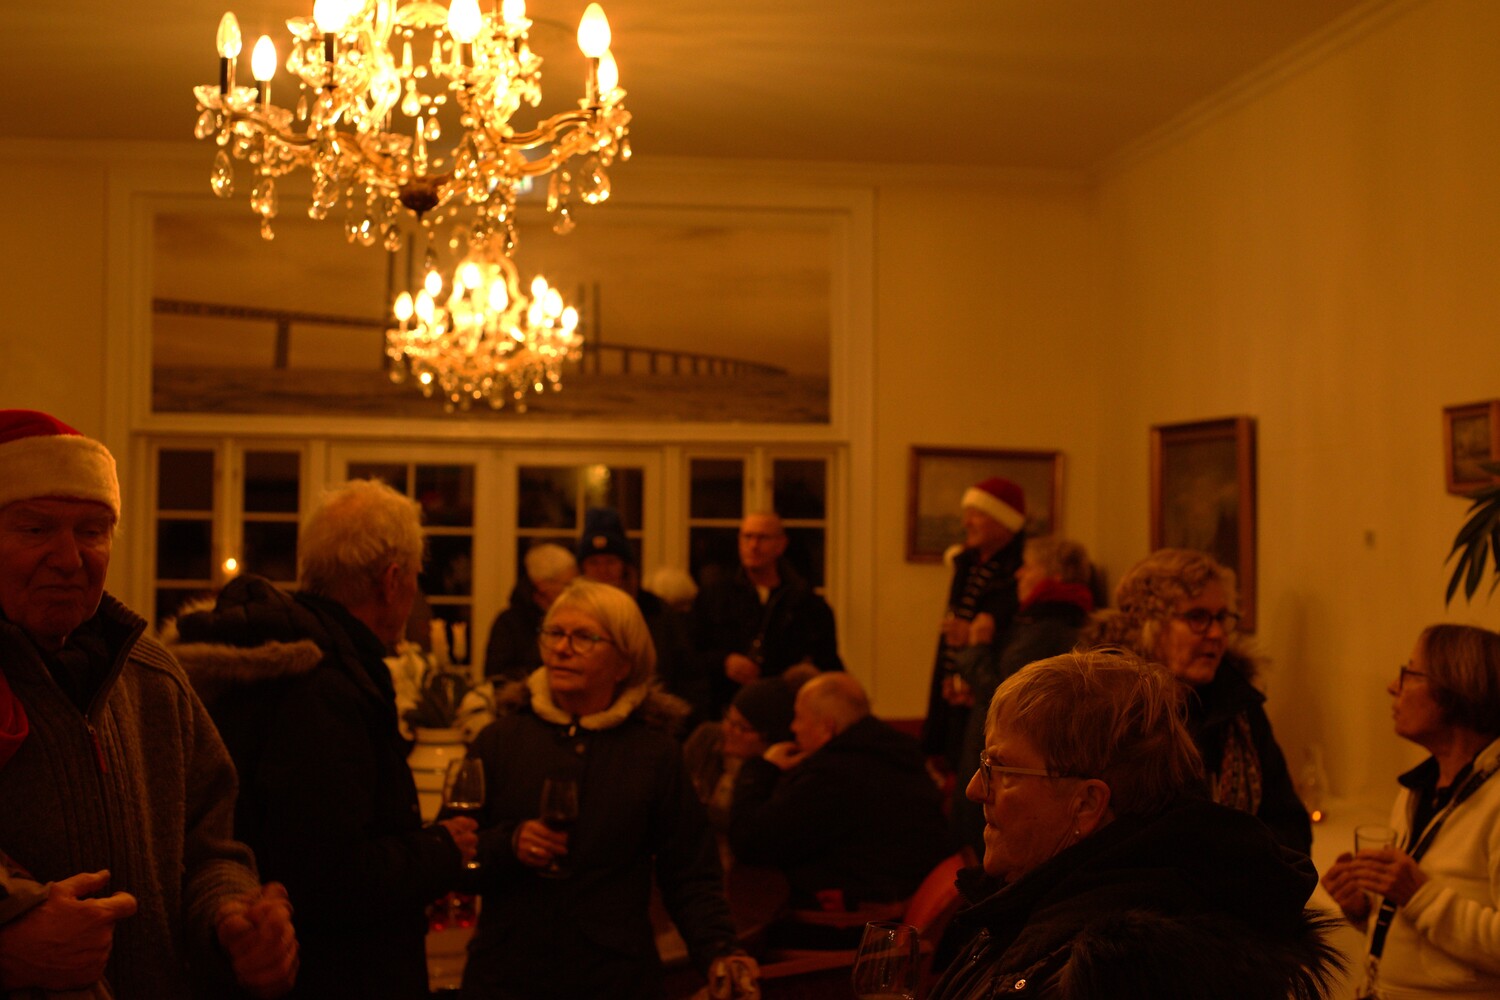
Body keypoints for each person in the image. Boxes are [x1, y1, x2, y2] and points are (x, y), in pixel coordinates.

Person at [0, 410, 297, 999]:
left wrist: (232, 919)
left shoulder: (153, 680)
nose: (69, 557)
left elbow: (210, 847)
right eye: (35, 529)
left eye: (92, 530)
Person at [169, 479, 476, 1000]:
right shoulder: (323, 686)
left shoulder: (289, 653)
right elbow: (332, 877)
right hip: (333, 974)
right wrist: (440, 849)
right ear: (392, 580)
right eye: (416, 579)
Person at [931, 650, 1340, 1000]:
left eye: (1001, 770)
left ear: (1087, 803)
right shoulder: (1033, 900)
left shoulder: (1116, 976)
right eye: (984, 765)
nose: (973, 790)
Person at [461, 579, 758, 1000]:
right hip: (506, 977)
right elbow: (455, 851)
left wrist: (720, 951)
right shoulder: (499, 740)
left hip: (613, 979)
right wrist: (509, 844)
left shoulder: (654, 754)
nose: (562, 649)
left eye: (583, 638)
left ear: (624, 663)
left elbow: (691, 874)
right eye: (554, 634)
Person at [1083, 548, 1311, 854]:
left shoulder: (1239, 708)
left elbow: (1291, 828)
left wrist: (1231, 857)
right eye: (1197, 617)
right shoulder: (1107, 711)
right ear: (1150, 625)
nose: (1216, 633)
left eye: (1221, 617)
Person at [1320, 624, 1500, 999]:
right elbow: (1419, 925)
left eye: (1410, 674)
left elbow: (1424, 899)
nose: (1392, 686)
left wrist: (1419, 894)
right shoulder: (1419, 789)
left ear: (1454, 688)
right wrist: (1364, 909)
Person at [729, 672, 948, 915]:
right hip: (888, 895)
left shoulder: (836, 775)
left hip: (854, 920)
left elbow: (750, 841)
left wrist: (761, 767)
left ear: (827, 727)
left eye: (799, 718)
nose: (793, 727)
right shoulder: (887, 753)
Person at [949, 536, 1094, 858]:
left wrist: (977, 647)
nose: (1018, 574)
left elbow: (1007, 699)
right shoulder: (1049, 620)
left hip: (1008, 777)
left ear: (1052, 574)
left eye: (1027, 566)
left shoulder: (1047, 627)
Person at [921, 477, 1027, 781]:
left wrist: (971, 638)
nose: (966, 522)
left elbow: (1013, 639)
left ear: (1003, 521)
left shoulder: (1018, 570)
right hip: (955, 693)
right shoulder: (966, 564)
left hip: (988, 700)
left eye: (976, 513)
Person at [692, 512, 843, 717]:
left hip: (785, 711)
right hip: (725, 707)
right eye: (747, 537)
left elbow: (827, 664)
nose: (754, 546)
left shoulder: (807, 604)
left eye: (762, 538)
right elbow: (690, 652)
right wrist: (723, 661)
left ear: (781, 545)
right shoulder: (714, 596)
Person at [576, 507, 701, 724]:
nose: (602, 571)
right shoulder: (570, 613)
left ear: (625, 567)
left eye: (610, 562)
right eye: (594, 563)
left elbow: (689, 674)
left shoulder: (656, 612)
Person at [483, 542, 577, 682]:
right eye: (568, 584)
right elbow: (496, 675)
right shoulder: (509, 623)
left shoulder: (576, 617)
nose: (573, 590)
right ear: (543, 584)